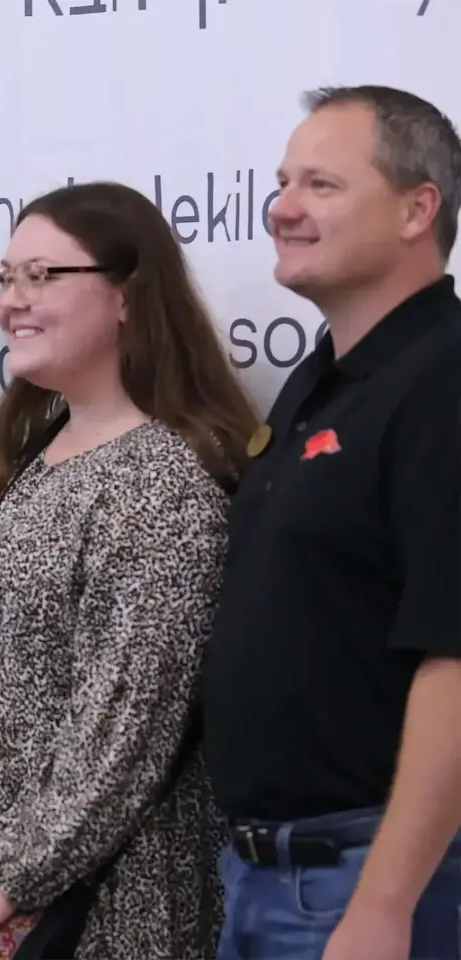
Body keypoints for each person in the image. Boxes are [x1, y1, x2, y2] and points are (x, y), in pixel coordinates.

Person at [0, 181, 258, 960]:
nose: (11, 302)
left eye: (43, 276)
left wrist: (8, 873)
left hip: (103, 910)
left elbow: (130, 723)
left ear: (127, 294)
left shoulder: (162, 480)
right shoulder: (43, 448)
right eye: (7, 277)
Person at [203, 84, 461, 960]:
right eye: (282, 182)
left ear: (417, 208)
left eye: (321, 184)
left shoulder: (444, 382)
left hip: (371, 886)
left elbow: (456, 658)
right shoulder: (323, 380)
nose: (282, 208)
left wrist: (386, 904)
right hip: (261, 878)